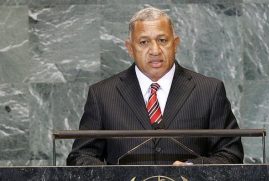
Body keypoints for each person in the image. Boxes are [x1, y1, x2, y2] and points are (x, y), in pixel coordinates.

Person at [66, 7, 243, 166]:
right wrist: (109, 175)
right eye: (144, 42)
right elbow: (81, 156)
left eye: (162, 40)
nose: (155, 50)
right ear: (129, 48)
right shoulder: (102, 95)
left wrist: (193, 170)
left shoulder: (209, 90)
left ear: (176, 44)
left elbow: (231, 154)